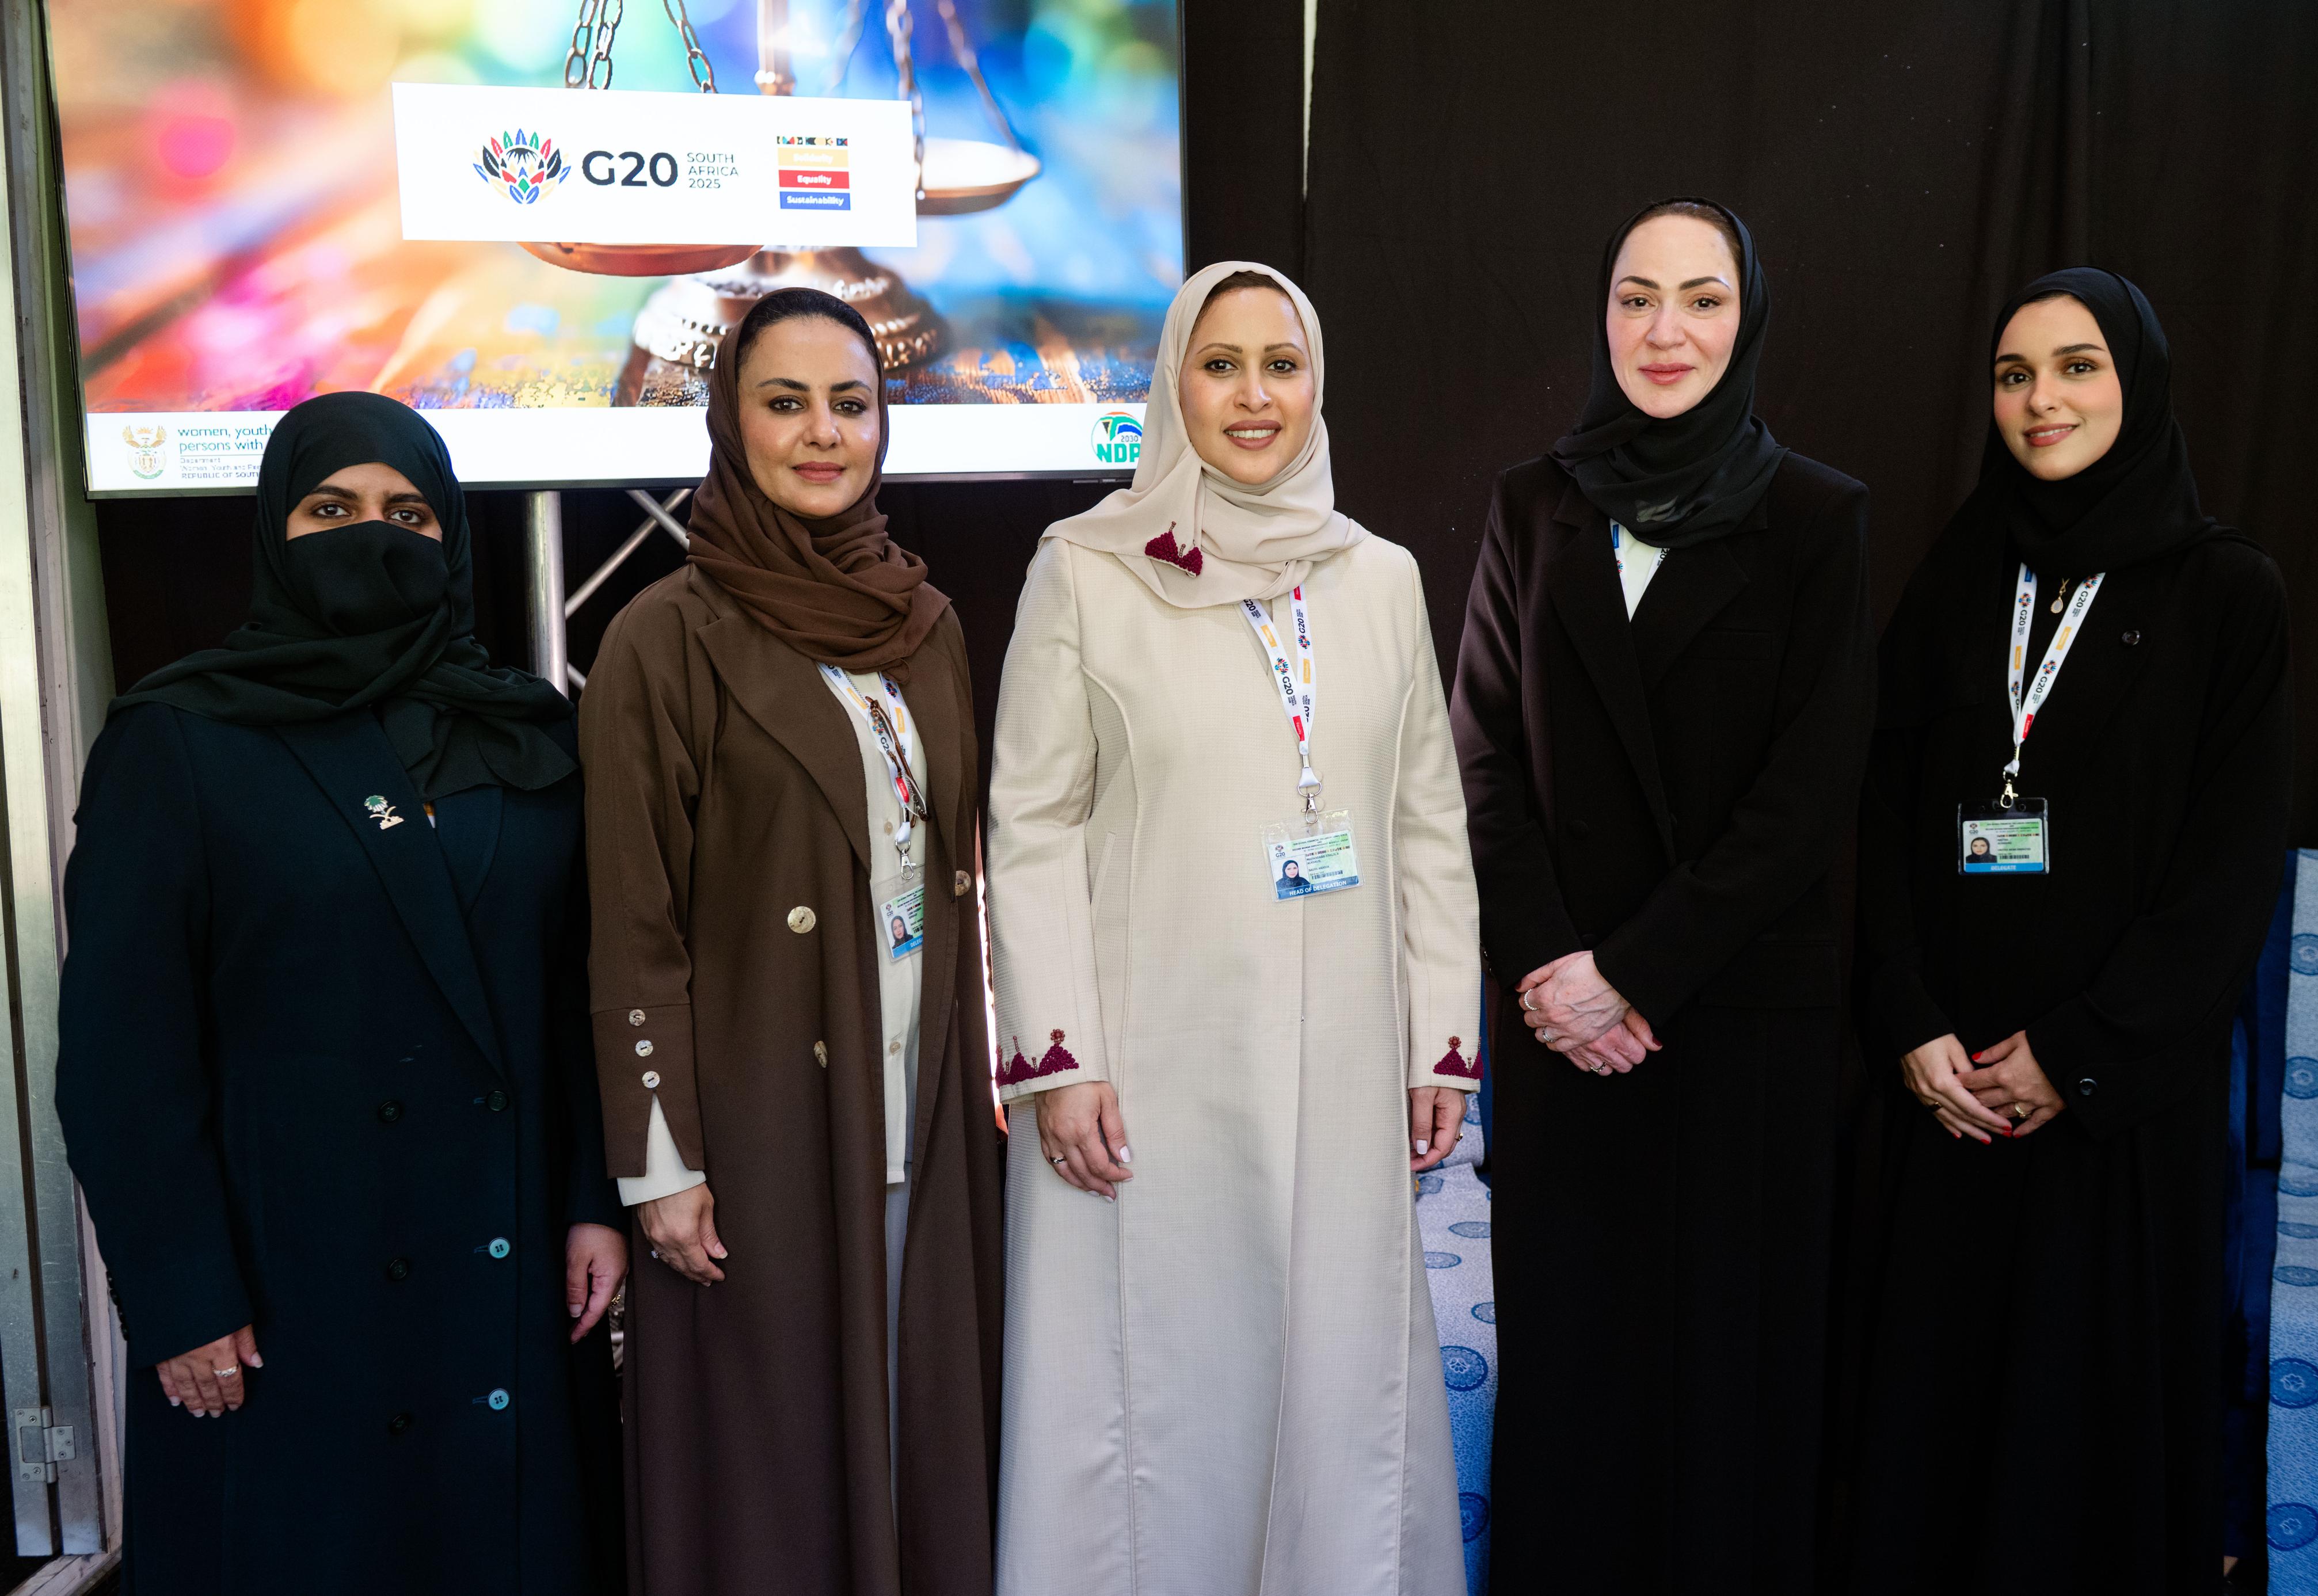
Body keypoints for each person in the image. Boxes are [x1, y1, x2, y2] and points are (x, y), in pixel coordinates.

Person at [55, 392, 625, 1595]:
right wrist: (179, 1292)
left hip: (503, 1260)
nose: (374, 535)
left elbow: (573, 988)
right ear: (275, 528)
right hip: (284, 1290)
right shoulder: (180, 737)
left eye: (408, 513)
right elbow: (120, 1055)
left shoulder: (528, 733)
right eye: (332, 509)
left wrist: (591, 1200)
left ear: (452, 536)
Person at [987, 261, 1479, 1595]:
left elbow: (1426, 820)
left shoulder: (1379, 577)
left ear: (1317, 385)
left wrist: (1441, 1041)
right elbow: (1029, 821)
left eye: (1281, 365)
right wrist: (1058, 1059)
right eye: (1220, 366)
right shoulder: (1087, 570)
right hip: (1149, 1079)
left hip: (1343, 1069)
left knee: (1335, 1383)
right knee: (1164, 1400)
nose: (1253, 396)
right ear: (1174, 385)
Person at [1448, 198, 1873, 1593]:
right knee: (1577, 1377)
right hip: (1558, 1020)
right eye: (1636, 297)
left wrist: (1631, 971)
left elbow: (1805, 792)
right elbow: (1481, 755)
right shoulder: (1533, 503)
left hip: (1730, 1019)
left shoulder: (1817, 517)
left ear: (1747, 319)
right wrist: (1550, 968)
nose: (1664, 330)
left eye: (1701, 298)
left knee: (1723, 1393)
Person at [1843, 268, 2291, 1593]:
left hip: (2114, 1117)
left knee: (2080, 1459)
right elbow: (1876, 813)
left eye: (2076, 366)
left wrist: (2078, 1054)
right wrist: (1907, 1017)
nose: (2041, 399)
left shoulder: (2228, 594)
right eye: (2013, 374)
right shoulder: (1957, 574)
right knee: (1932, 1449)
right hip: (1945, 1096)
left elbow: (2228, 878)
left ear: (2135, 382)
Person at [581, 287, 1004, 1595]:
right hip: (761, 1136)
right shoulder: (662, 637)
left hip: (924, 1114)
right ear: (729, 420)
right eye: (786, 403)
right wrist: (661, 1162)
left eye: (851, 404)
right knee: (776, 1484)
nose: (824, 433)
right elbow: (632, 925)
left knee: (924, 1450)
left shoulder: (928, 627)